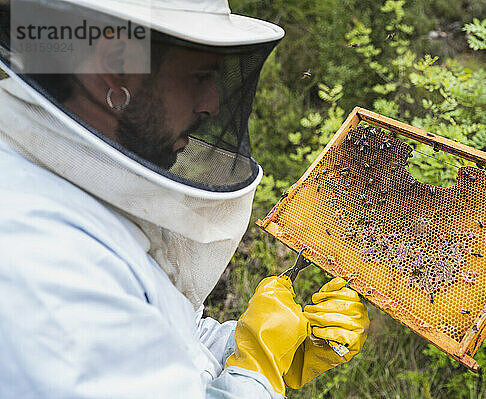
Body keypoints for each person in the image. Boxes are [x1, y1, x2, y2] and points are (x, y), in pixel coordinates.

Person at [0, 1, 369, 398]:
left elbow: (166, 341)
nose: (211, 103)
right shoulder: (41, 262)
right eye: (200, 76)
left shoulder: (77, 180)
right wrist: (257, 371)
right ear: (114, 68)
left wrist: (257, 346)